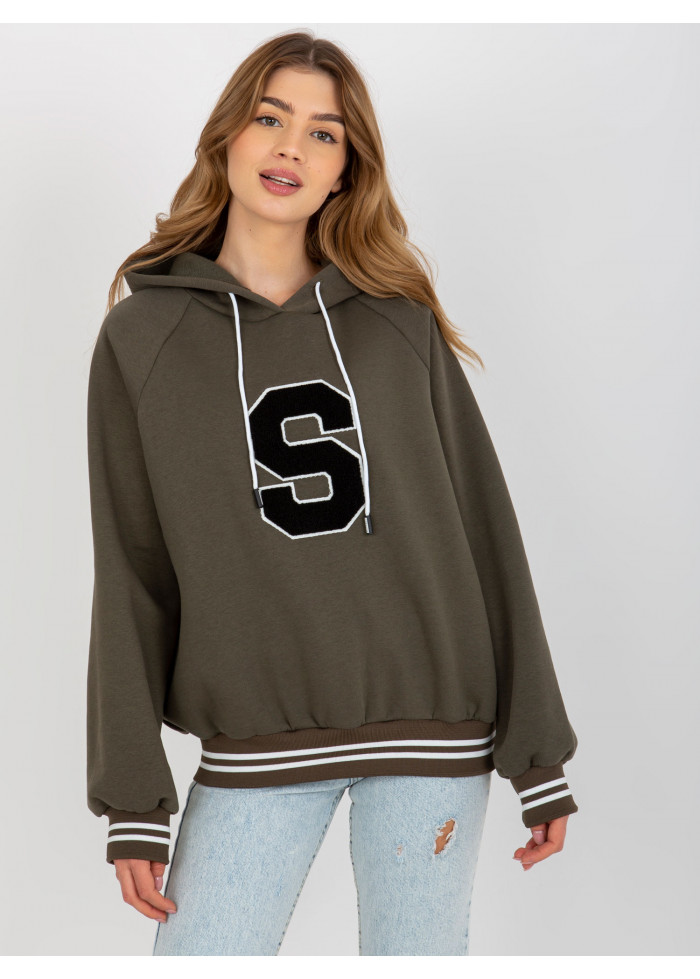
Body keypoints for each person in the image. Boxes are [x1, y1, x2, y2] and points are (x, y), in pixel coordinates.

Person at [85, 29, 579, 956]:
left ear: (347, 168)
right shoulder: (141, 339)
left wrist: (537, 749)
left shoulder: (397, 320)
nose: (291, 149)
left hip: (432, 733)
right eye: (270, 118)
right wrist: (133, 799)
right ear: (227, 134)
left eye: (324, 133)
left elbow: (485, 526)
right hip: (256, 745)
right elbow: (131, 570)